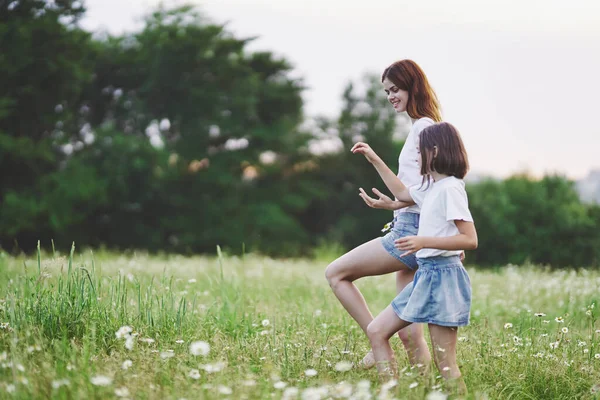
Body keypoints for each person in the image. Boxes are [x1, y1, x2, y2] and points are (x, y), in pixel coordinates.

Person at [325, 59, 442, 371]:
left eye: (395, 89)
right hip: (413, 227)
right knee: (409, 331)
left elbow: (433, 187)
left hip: (407, 235)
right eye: (387, 91)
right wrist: (393, 204)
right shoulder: (423, 127)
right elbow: (418, 191)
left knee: (335, 274)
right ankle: (424, 390)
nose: (391, 96)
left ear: (411, 86)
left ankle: (377, 339)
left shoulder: (424, 129)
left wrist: (377, 165)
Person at [352, 122, 476, 394]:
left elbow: (469, 239)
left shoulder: (451, 189)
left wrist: (423, 241)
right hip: (426, 275)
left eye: (419, 151)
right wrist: (373, 158)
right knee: (376, 331)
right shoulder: (431, 187)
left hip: (444, 277)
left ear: (435, 150)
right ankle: (392, 394)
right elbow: (401, 193)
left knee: (447, 367)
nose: (416, 157)